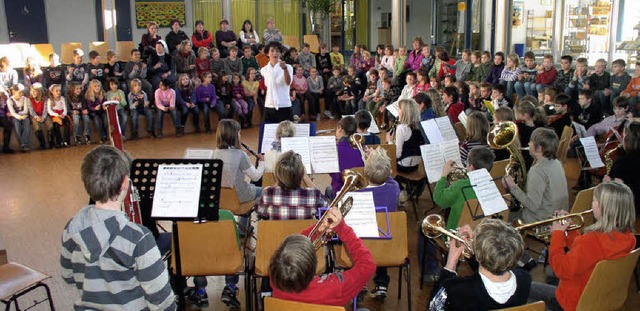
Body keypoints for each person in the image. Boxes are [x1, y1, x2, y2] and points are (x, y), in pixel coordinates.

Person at [60, 145, 176, 310]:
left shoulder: (71, 227)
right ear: (124, 183)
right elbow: (162, 300)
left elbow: (68, 276)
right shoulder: (138, 237)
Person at [528, 181, 636, 311]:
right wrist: (570, 231)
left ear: (605, 208)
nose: (591, 203)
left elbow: (560, 269)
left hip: (572, 302)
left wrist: (557, 234)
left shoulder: (591, 241)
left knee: (522, 288)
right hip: (598, 297)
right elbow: (585, 255)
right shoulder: (629, 238)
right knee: (548, 279)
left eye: (594, 200)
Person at [269, 205, 376, 306]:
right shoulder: (335, 288)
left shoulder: (275, 280)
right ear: (313, 266)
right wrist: (342, 228)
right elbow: (368, 265)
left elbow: (296, 248)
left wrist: (318, 229)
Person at [211, 119, 264, 307]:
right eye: (239, 133)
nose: (241, 136)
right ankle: (251, 229)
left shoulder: (214, 153)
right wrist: (262, 163)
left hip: (222, 200)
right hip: (240, 198)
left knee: (248, 190)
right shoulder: (240, 154)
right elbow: (256, 177)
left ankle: (242, 229)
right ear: (234, 135)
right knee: (263, 191)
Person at [429, 219, 530, 311]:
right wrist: (477, 249)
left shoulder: (455, 289)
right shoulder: (524, 279)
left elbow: (433, 307)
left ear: (478, 257)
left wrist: (451, 262)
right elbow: (493, 265)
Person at [356, 146, 400, 299]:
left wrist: (368, 160)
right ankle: (381, 284)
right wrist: (379, 164)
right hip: (386, 244)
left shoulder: (357, 195)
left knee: (356, 243)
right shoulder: (394, 188)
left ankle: (360, 284)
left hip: (363, 245)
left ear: (365, 173)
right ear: (389, 172)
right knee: (381, 240)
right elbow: (388, 178)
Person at [503, 127, 569, 223]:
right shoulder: (557, 163)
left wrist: (512, 186)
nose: (528, 144)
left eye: (531, 142)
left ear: (539, 148)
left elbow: (532, 205)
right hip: (559, 215)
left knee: (504, 216)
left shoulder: (537, 171)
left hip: (543, 220)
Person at [257, 150, 326, 220]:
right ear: (302, 172)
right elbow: (325, 210)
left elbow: (260, 212)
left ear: (277, 173)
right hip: (303, 231)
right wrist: (306, 178)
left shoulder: (268, 192)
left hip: (278, 230)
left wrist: (278, 180)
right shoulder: (314, 194)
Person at [604, 121, 640, 217]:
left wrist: (607, 182)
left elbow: (612, 191)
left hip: (629, 209)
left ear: (628, 139)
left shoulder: (622, 163)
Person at [386, 99, 425, 172]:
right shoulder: (420, 125)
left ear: (404, 112)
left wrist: (390, 141)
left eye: (399, 109)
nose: (398, 111)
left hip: (404, 166)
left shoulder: (402, 128)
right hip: (416, 165)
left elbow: (397, 155)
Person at [330, 116, 365, 195]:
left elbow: (333, 174)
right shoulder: (361, 148)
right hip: (360, 190)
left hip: (340, 191)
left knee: (328, 190)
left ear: (340, 128)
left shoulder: (335, 150)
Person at [261, 41, 294, 123]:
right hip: (269, 105)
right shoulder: (264, 70)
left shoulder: (288, 67)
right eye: (272, 51)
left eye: (277, 51)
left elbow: (288, 83)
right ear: (267, 53)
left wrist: (285, 69)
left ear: (281, 53)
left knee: (287, 134)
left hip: (284, 105)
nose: (275, 53)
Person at [46, 83, 71, 147]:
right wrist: (57, 115)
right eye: (56, 91)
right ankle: (59, 141)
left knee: (67, 123)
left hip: (62, 114)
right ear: (52, 92)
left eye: (59, 90)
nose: (58, 92)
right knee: (55, 125)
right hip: (55, 116)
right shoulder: (49, 100)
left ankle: (66, 141)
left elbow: (65, 108)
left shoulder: (62, 98)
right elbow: (49, 111)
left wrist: (63, 114)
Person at [29, 83, 51, 149]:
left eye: (34, 91)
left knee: (50, 125)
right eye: (31, 91)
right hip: (34, 115)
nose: (33, 93)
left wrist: (43, 117)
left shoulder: (45, 99)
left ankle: (51, 143)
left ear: (39, 91)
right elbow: (31, 111)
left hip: (44, 115)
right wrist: (36, 117)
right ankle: (42, 144)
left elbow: (45, 109)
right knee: (37, 127)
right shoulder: (29, 99)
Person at [0, 85, 14, 154]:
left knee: (8, 126)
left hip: (2, 116)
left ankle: (6, 147)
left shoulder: (5, 95)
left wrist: (8, 112)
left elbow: (7, 106)